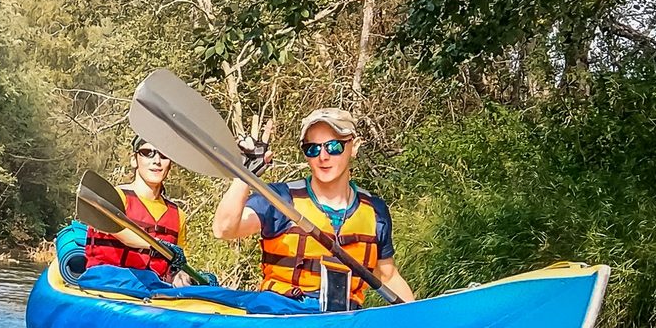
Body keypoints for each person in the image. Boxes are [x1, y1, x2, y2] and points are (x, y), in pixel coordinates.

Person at [211, 108, 415, 305]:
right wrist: (245, 173)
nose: (323, 157)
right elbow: (224, 229)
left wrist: (422, 322)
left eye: (334, 146)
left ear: (354, 146)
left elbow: (388, 277)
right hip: (284, 315)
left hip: (344, 322)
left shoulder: (375, 210)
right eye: (313, 149)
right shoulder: (280, 199)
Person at [85, 137, 192, 283]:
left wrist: (181, 276)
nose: (156, 161)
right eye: (147, 152)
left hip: (154, 292)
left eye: (164, 155)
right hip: (108, 285)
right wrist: (159, 245)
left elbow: (178, 266)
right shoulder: (115, 198)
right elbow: (121, 233)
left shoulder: (178, 215)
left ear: (170, 163)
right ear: (134, 160)